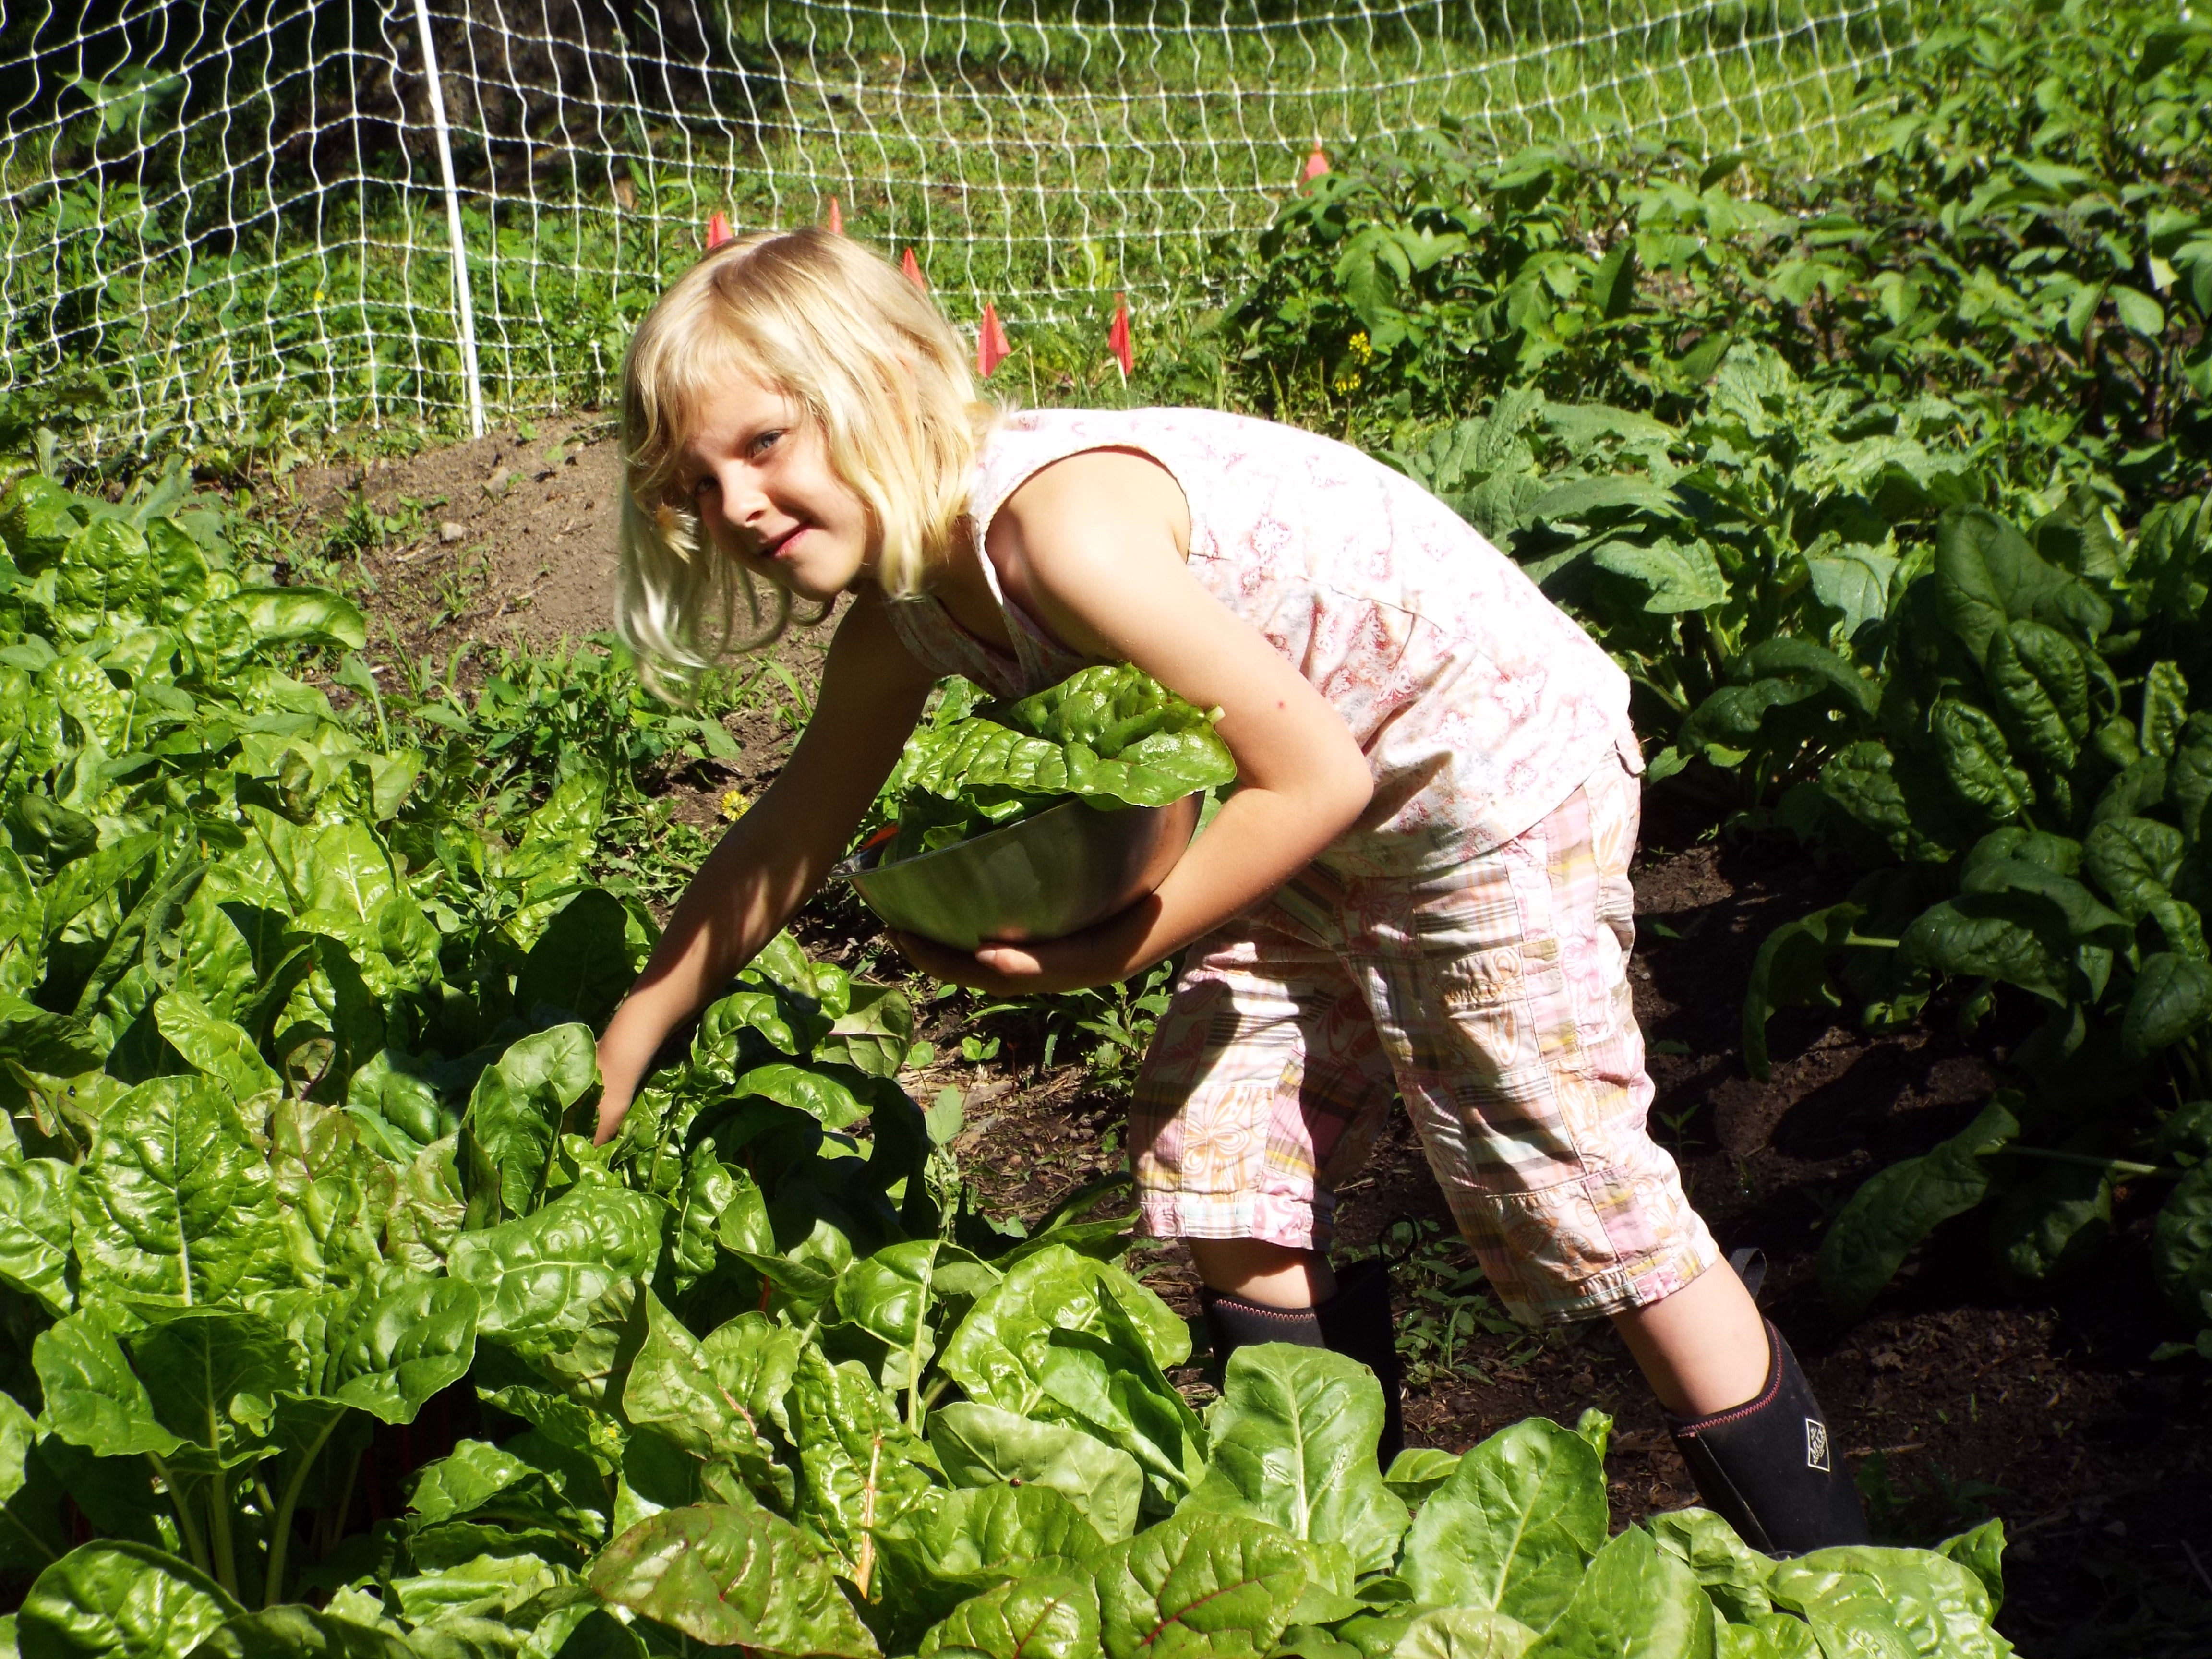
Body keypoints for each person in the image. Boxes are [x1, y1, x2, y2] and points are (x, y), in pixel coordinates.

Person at [590, 226, 1870, 1555]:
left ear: (876, 388)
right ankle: (1338, 1545)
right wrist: (641, 1019)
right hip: (1322, 807)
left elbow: (1316, 776)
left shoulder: (1062, 533)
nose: (734, 505)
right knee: (1221, 1151)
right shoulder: (904, 612)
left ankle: (1846, 1585)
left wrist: (1113, 950)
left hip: (1479, 774)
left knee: (1564, 1175)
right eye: (693, 483)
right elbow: (795, 826)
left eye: (763, 445)